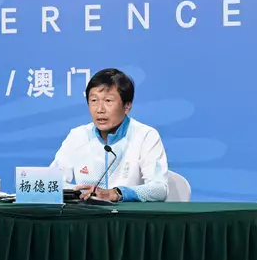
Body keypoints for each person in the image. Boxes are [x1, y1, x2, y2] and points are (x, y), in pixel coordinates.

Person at [51, 68, 169, 202]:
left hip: (128, 213)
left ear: (127, 106)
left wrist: (117, 193)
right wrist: (79, 193)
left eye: (108, 101)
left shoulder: (145, 136)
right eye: (94, 100)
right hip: (86, 213)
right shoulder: (78, 136)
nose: (99, 109)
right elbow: (52, 182)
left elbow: (160, 189)